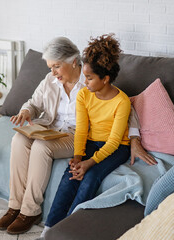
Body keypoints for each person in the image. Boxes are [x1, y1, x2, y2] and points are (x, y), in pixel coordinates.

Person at [0, 36, 151, 235]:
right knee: (19, 139)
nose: (53, 72)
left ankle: (30, 211)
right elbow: (34, 102)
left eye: (57, 66)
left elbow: (124, 109)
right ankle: (14, 206)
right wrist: (27, 111)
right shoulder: (51, 80)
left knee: (41, 148)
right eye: (50, 67)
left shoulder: (91, 82)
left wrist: (135, 139)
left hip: (74, 135)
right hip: (51, 129)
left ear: (74, 62)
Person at [42, 33, 133, 235]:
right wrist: (77, 158)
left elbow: (114, 141)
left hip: (116, 148)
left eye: (90, 78)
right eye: (85, 76)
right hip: (92, 142)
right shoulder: (84, 94)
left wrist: (89, 163)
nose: (85, 82)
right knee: (70, 174)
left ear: (105, 79)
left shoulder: (122, 102)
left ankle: (68, 231)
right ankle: (49, 229)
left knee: (90, 178)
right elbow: (82, 130)